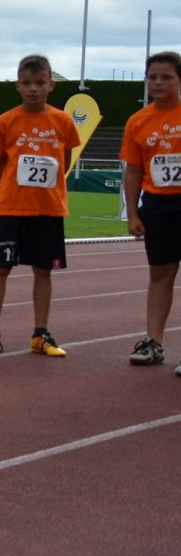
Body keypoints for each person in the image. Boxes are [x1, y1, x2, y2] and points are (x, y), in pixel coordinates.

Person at [0, 55, 81, 356]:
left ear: (51, 85)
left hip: (49, 209)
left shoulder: (63, 121)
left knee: (43, 271)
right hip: (13, 208)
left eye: (39, 83)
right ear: (17, 86)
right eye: (27, 83)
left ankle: (41, 333)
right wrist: (14, 187)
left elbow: (64, 163)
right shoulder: (5, 121)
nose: (33, 88)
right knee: (1, 268)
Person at [121, 51, 181, 370]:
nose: (158, 82)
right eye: (152, 77)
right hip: (157, 206)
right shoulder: (138, 121)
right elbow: (133, 170)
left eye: (166, 77)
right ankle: (154, 342)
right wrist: (132, 214)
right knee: (159, 274)